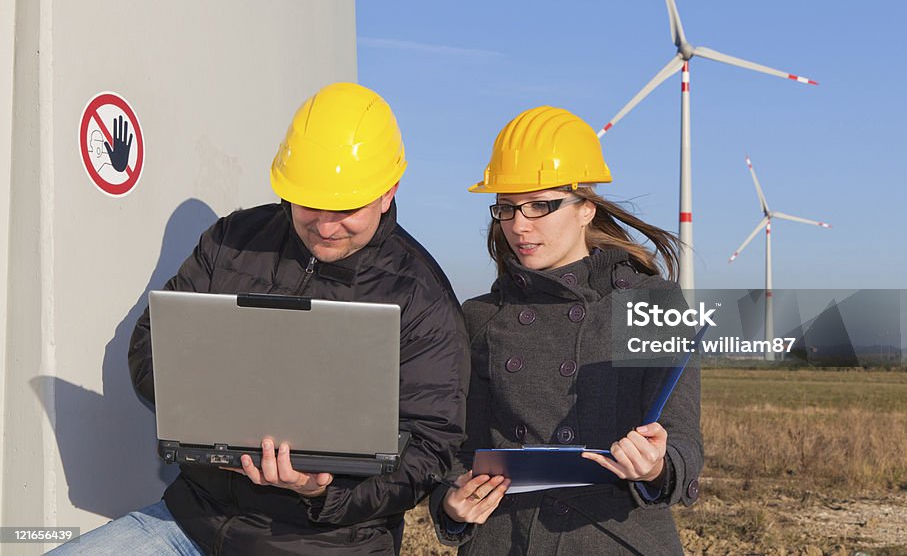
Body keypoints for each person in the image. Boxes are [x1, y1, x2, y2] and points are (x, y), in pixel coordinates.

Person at [54, 83, 469, 555]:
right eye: (310, 203)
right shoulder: (234, 238)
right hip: (191, 520)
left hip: (324, 542)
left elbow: (430, 451)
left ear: (388, 191)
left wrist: (321, 491)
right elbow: (150, 347)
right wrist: (220, 422)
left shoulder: (422, 298)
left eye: (347, 209)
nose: (326, 226)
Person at [429, 106, 702, 555]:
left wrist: (655, 465)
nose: (519, 225)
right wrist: (451, 503)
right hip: (506, 542)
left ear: (585, 210)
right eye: (507, 208)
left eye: (541, 206)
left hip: (616, 537)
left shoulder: (652, 304)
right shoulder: (480, 317)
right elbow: (455, 450)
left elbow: (683, 439)